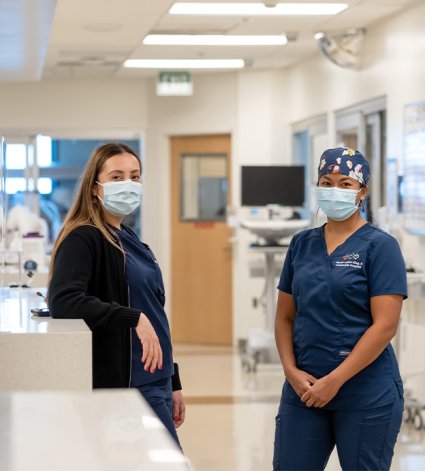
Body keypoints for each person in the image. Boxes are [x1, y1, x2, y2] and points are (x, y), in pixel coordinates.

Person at [273, 147, 407, 470]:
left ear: (362, 191)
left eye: (345, 184)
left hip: (365, 393)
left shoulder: (381, 247)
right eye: (327, 181)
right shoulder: (301, 245)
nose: (335, 190)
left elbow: (385, 326)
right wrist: (291, 372)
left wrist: (335, 379)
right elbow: (284, 316)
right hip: (303, 391)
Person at [48, 142, 185, 445]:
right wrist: (132, 318)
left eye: (135, 176)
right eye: (117, 177)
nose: (129, 184)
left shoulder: (129, 237)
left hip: (157, 378)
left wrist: (172, 379)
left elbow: (155, 310)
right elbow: (63, 299)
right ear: (95, 188)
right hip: (129, 382)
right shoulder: (84, 237)